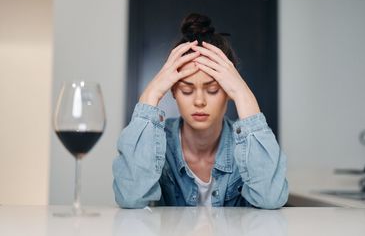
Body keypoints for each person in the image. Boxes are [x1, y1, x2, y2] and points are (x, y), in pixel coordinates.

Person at [112, 13, 288, 209]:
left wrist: (243, 93)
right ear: (174, 90)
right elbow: (130, 197)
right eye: (187, 90)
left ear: (228, 91)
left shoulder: (246, 147)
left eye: (212, 90)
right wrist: (150, 95)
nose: (199, 101)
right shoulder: (158, 143)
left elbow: (271, 198)